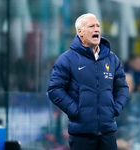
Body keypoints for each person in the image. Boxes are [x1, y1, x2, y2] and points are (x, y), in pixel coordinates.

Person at [47, 13, 129, 150]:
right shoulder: (67, 59)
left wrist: (115, 109)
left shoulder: (112, 59)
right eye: (91, 26)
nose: (96, 29)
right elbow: (54, 90)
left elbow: (122, 88)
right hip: (81, 133)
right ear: (80, 32)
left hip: (107, 132)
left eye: (98, 26)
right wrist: (75, 111)